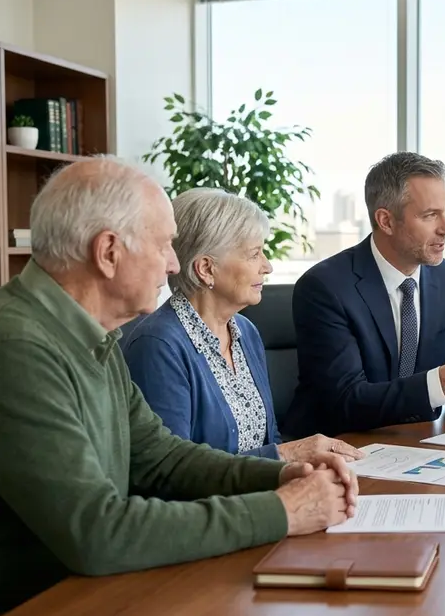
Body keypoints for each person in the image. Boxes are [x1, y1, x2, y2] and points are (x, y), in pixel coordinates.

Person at [0, 157, 358, 616]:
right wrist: (281, 511)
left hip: (76, 588)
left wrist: (278, 477)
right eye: (164, 245)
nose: (175, 264)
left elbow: (162, 457)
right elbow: (97, 534)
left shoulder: (92, 333)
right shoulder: (10, 348)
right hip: (4, 613)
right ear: (109, 252)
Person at [286, 151, 445, 438]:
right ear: (385, 221)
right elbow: (345, 401)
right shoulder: (325, 287)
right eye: (430, 215)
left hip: (417, 443)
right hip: (337, 450)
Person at [122, 188, 363, 463]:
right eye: (254, 254)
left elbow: (268, 437)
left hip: (261, 497)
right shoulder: (158, 345)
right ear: (206, 268)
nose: (267, 266)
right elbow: (169, 471)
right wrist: (285, 454)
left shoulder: (245, 331)